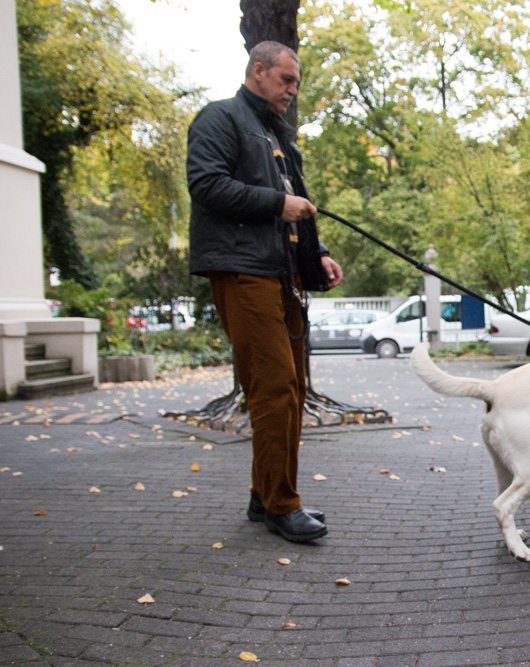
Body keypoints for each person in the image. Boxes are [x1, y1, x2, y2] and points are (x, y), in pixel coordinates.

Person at [186, 41, 343, 542]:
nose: (292, 92)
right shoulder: (220, 118)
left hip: (283, 275)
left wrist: (315, 256)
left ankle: (265, 494)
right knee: (273, 386)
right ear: (258, 71)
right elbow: (206, 185)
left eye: (295, 83)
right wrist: (279, 203)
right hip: (241, 270)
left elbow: (300, 209)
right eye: (286, 81)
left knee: (290, 388)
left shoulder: (278, 132)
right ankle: (281, 504)